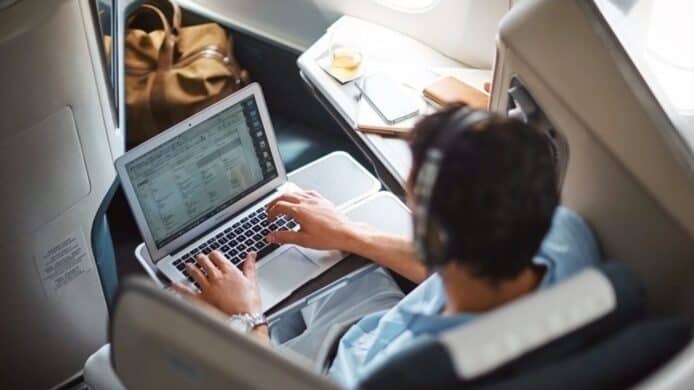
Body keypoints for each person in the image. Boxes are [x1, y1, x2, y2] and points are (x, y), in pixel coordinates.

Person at [172, 106, 601, 388]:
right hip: (370, 322)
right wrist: (347, 233)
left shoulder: (411, 376)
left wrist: (245, 321)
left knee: (177, 321)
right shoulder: (564, 235)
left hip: (316, 373)